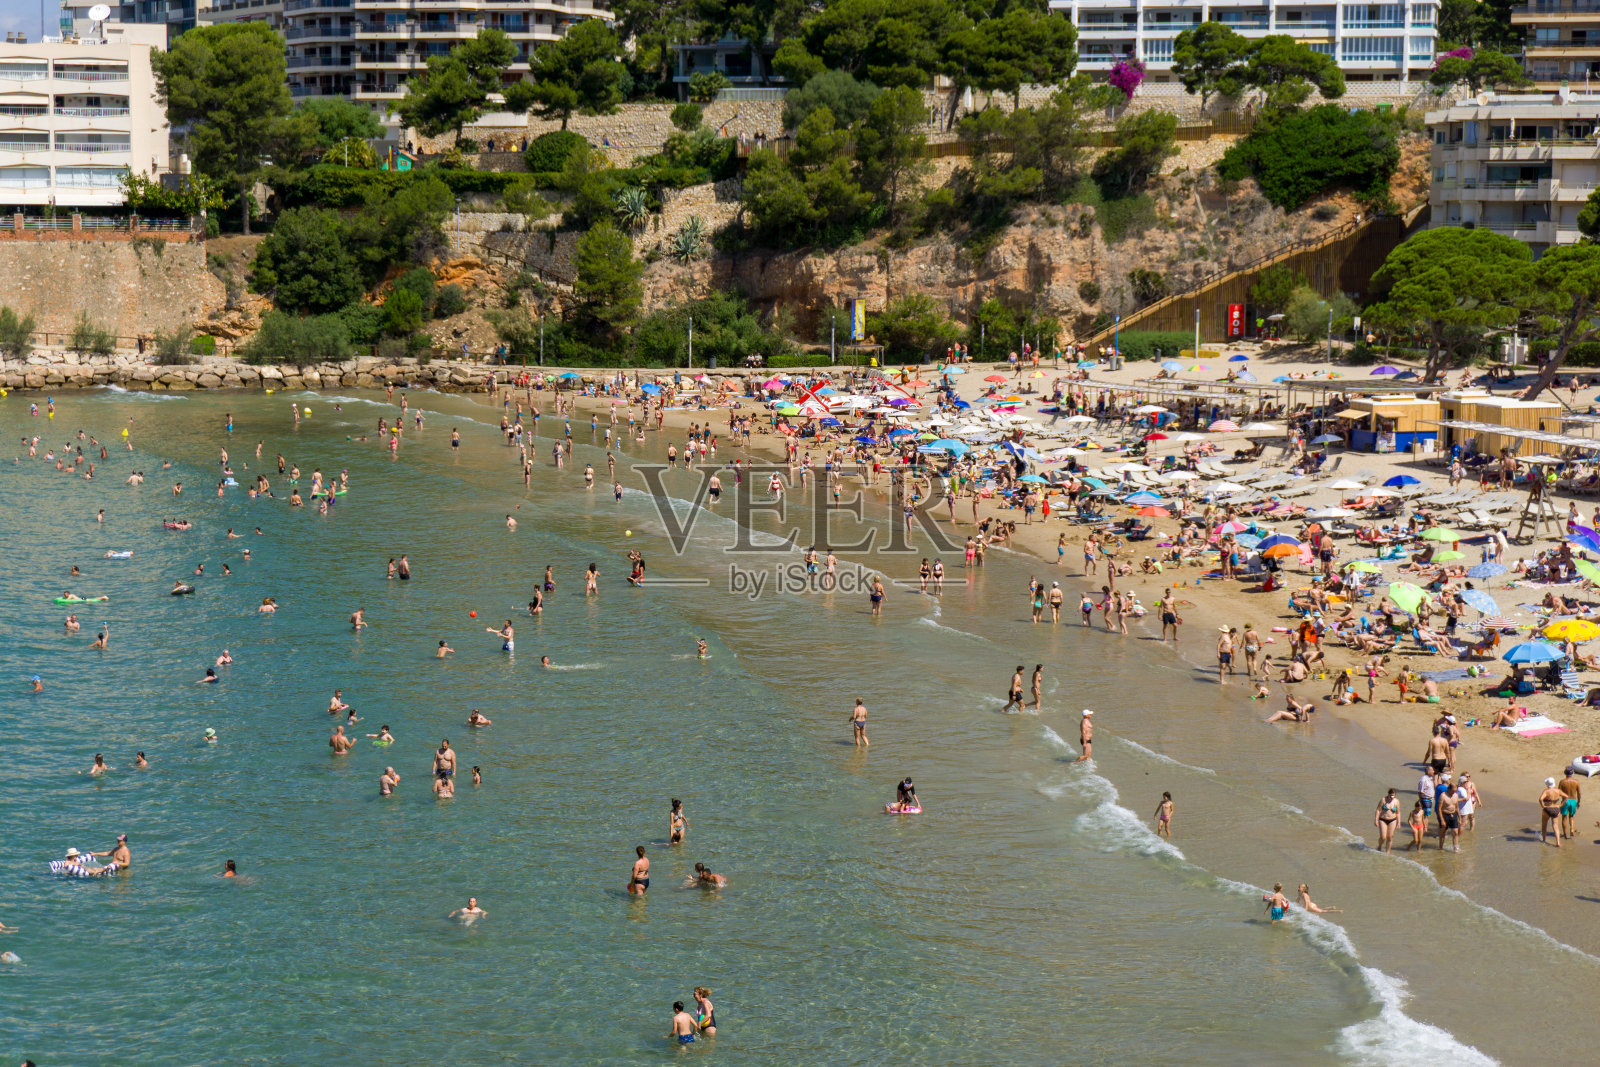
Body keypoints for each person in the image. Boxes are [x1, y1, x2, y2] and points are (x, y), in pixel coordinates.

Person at [1540, 776, 1566, 847]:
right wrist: (1561, 805)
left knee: (1544, 825)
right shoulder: (1558, 790)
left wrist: (1543, 806)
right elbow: (1566, 796)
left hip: (1547, 809)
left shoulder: (1546, 791)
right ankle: (1558, 842)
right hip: (1556, 809)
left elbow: (1540, 799)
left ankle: (1544, 840)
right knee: (1555, 826)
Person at [1559, 767, 1582, 840]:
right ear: (1572, 773)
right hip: (1573, 800)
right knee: (1571, 816)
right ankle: (1572, 829)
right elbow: (1579, 793)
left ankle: (1565, 834)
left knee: (1564, 817)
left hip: (1565, 800)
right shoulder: (1576, 781)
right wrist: (1579, 802)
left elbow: (1559, 792)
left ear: (1565, 773)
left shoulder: (1562, 782)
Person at [1374, 788, 1399, 853]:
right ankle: (1379, 846)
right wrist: (1376, 820)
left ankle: (1387, 852)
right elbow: (1378, 810)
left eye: (1393, 796)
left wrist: (1399, 822)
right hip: (1383, 819)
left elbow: (1398, 812)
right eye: (1391, 795)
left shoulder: (1396, 801)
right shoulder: (1383, 800)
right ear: (1388, 794)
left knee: (1390, 837)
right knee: (1383, 837)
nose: (1392, 797)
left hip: (1393, 820)